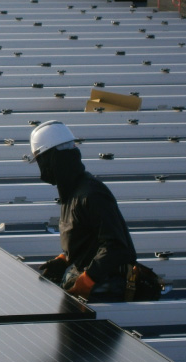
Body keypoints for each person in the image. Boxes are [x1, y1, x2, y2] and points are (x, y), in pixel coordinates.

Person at [30, 120, 137, 303]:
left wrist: (88, 279)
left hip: (104, 289)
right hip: (91, 281)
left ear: (53, 159)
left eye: (41, 160)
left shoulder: (91, 194)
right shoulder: (71, 191)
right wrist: (66, 258)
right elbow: (87, 238)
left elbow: (116, 246)